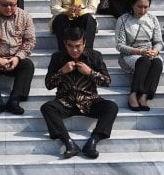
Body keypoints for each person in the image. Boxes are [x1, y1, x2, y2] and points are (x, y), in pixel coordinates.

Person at [41, 27, 118, 159]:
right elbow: (48, 85)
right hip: (66, 102)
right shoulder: (57, 57)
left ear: (84, 43)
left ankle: (93, 141)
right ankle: (69, 143)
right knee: (47, 108)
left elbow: (107, 81)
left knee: (112, 107)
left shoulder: (95, 56)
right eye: (70, 46)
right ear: (65, 44)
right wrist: (62, 71)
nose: (75, 50)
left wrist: (90, 72)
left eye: (78, 46)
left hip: (90, 101)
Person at [115, 0, 163, 111]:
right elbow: (120, 45)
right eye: (139, 6)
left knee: (157, 62)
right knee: (144, 61)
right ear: (132, 4)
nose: (142, 10)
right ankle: (133, 94)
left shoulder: (152, 19)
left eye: (146, 7)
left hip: (149, 53)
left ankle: (144, 96)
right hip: (129, 55)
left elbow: (158, 42)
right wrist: (139, 52)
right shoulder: (123, 20)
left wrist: (155, 51)